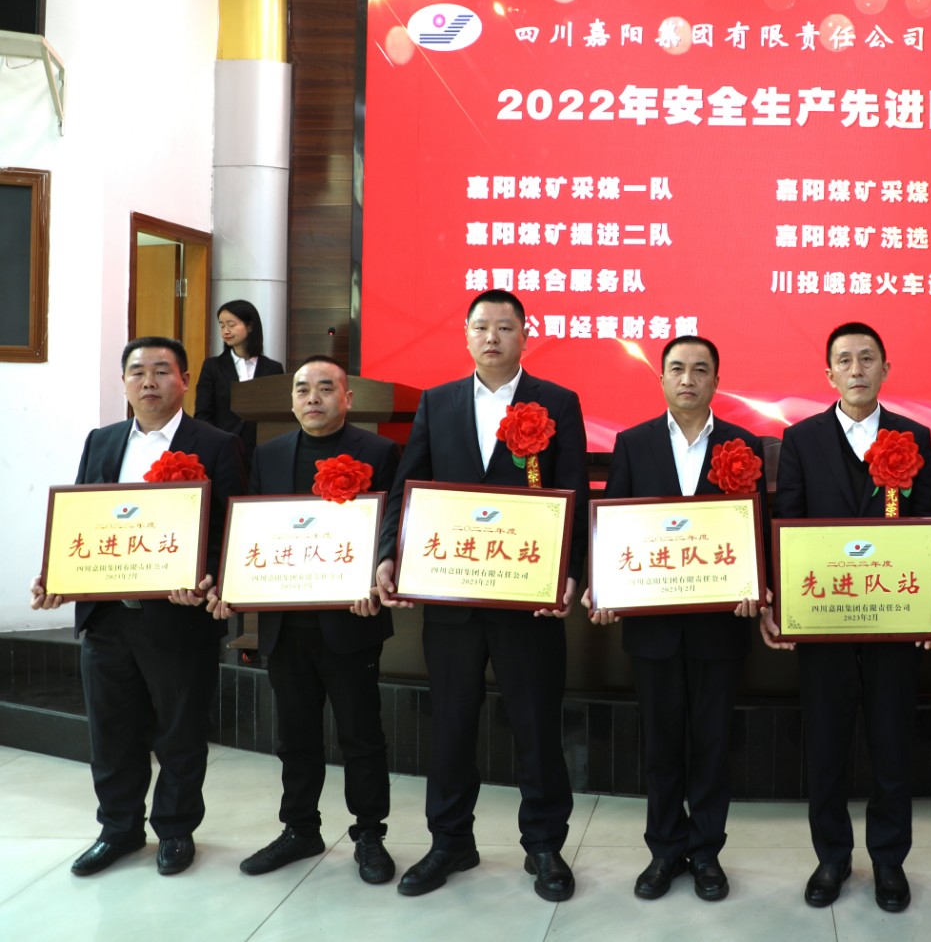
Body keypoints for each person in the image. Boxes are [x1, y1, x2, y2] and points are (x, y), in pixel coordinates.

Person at [374, 289, 588, 899]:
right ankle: (450, 842)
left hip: (528, 598)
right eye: (481, 327)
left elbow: (573, 490)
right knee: (450, 723)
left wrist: (570, 571)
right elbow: (409, 484)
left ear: (525, 335)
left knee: (536, 723)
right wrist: (389, 553)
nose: (492, 337)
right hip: (454, 596)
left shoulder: (557, 402)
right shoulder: (437, 402)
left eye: (505, 327)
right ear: (466, 336)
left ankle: (543, 845)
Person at [31, 337, 245, 877]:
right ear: (124, 381)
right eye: (137, 371)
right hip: (107, 617)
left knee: (180, 731)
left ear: (185, 380)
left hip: (178, 616)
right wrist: (58, 577)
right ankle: (118, 829)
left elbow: (230, 528)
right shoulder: (101, 441)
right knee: (111, 732)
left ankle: (175, 830)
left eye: (161, 370)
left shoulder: (218, 444)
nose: (148, 381)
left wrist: (208, 577)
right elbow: (84, 519)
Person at [764, 322, 931, 914]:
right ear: (829, 374)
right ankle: (832, 857)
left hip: (894, 619)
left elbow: (930, 521)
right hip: (824, 621)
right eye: (844, 360)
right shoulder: (801, 439)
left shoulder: (914, 436)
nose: (856, 369)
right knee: (826, 745)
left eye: (867, 358)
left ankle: (890, 860)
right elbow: (788, 522)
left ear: (885, 369)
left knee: (892, 743)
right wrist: (784, 605)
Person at [583, 336, 764, 902]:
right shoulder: (633, 443)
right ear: (661, 379)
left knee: (711, 743)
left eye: (700, 369)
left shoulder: (742, 444)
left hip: (719, 625)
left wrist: (756, 583)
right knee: (661, 745)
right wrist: (604, 586)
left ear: (716, 381)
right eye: (678, 369)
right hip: (653, 628)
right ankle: (664, 850)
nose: (688, 379)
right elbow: (614, 521)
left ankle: (706, 852)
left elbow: (758, 525)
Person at [209, 355, 400, 884]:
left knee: (361, 735)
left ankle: (369, 834)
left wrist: (375, 578)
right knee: (295, 736)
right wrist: (233, 584)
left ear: (347, 398)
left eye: (325, 388)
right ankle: (299, 829)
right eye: (302, 389)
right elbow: (252, 529)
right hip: (285, 623)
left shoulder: (378, 452)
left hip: (351, 619)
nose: (312, 397)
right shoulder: (267, 454)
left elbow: (391, 526)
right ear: (291, 400)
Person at [194, 299, 286, 462]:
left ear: (250, 326)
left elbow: (278, 415)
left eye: (231, 324)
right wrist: (214, 443)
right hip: (223, 448)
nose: (225, 331)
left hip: (263, 449)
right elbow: (203, 413)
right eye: (222, 325)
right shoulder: (212, 366)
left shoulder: (273, 368)